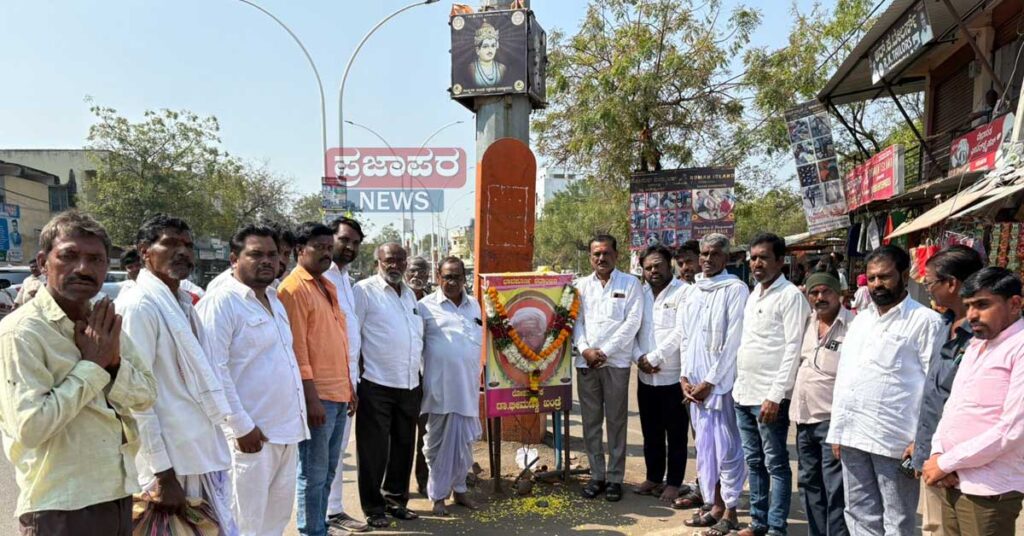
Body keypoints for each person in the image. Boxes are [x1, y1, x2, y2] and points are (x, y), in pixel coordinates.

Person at [0, 210, 157, 535]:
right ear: (44, 262)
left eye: (95, 259)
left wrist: (112, 363)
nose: (83, 268)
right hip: (61, 506)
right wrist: (92, 366)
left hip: (115, 492)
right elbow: (30, 427)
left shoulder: (103, 322)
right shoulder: (22, 332)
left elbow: (146, 396)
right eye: (69, 256)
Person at [116, 214, 239, 534]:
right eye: (170, 243)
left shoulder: (182, 302)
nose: (183, 251)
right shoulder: (139, 306)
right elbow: (134, 397)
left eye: (187, 244)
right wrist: (162, 474)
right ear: (144, 251)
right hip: (172, 463)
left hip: (198, 452)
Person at [196, 224, 310, 536]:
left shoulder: (274, 299)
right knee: (242, 524)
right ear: (234, 258)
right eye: (255, 254)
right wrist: (240, 425)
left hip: (286, 433)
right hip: (250, 439)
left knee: (273, 523)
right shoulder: (221, 302)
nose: (267, 261)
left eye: (272, 255)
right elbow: (212, 370)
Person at [826, 245, 945, 535]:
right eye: (872, 278)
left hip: (895, 439)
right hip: (853, 434)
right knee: (858, 512)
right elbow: (846, 376)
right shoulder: (862, 320)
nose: (877, 284)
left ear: (904, 275)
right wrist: (838, 429)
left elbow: (936, 385)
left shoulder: (925, 321)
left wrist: (922, 439)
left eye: (885, 277)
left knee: (898, 518)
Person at [923, 267, 1024, 535]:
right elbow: (953, 406)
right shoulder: (978, 344)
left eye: (982, 305)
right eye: (968, 306)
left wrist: (946, 463)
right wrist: (938, 455)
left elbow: (1012, 430)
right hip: (952, 481)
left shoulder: (1019, 348)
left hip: (989, 490)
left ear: (1015, 304)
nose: (972, 315)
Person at [276, 222, 355, 536]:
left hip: (338, 393)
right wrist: (310, 400)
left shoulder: (326, 285)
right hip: (317, 397)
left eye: (328, 246)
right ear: (299, 250)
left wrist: (349, 386)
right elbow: (298, 350)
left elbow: (339, 341)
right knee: (312, 471)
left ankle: (319, 526)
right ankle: (312, 530)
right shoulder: (293, 288)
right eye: (319, 247)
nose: (326, 252)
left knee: (329, 470)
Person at [733, 233, 811, 536]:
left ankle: (777, 528)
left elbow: (794, 348)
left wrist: (776, 396)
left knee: (776, 463)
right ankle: (758, 522)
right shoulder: (755, 294)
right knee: (754, 463)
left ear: (780, 260)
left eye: (763, 257)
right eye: (753, 258)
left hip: (769, 398)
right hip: (745, 393)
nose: (756, 263)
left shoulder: (790, 296)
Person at [907, 246, 983, 536]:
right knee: (933, 527)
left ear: (952, 284)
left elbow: (974, 408)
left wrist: (950, 461)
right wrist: (921, 441)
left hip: (962, 466)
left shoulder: (982, 337)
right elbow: (933, 393)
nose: (927, 291)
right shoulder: (943, 324)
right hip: (934, 458)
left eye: (930, 283)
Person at [677, 233, 749, 536]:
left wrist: (709, 381)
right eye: (704, 254)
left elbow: (734, 342)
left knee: (728, 450)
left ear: (726, 258)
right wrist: (684, 377)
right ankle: (715, 505)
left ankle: (731, 511)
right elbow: (685, 338)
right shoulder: (692, 292)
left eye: (714, 254)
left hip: (720, 387)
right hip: (694, 388)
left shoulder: (735, 289)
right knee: (706, 450)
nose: (707, 260)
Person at [353, 243, 425, 528]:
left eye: (399, 260)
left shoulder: (409, 294)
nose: (394, 265)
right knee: (373, 450)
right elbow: (353, 336)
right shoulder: (364, 291)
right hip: (376, 383)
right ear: (377, 262)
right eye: (389, 260)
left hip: (409, 382)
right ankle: (373, 507)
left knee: (404, 446)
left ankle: (396, 500)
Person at [572, 234, 643, 503]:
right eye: (596, 254)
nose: (601, 258)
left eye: (606, 253)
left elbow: (632, 321)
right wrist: (586, 350)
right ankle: (596, 476)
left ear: (616, 254)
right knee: (590, 423)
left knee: (616, 422)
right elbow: (576, 321)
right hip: (586, 362)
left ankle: (615, 478)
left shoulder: (631, 283)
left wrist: (605, 352)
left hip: (616, 363)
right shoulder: (579, 286)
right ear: (590, 257)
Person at [417, 256, 482, 516]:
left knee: (464, 446)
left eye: (456, 276)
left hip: (467, 390)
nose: (451, 281)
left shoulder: (474, 305)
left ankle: (460, 490)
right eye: (447, 276)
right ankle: (437, 496)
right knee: (437, 446)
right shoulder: (424, 307)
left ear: (464, 278)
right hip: (439, 391)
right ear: (438, 277)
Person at [791, 270, 852, 536]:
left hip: (832, 421)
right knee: (808, 484)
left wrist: (842, 426)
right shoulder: (805, 323)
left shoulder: (853, 327)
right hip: (804, 419)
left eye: (826, 291)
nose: (820, 297)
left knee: (835, 488)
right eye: (814, 292)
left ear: (838, 293)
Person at [633, 245, 694, 502]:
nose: (653, 271)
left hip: (672, 376)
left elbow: (681, 331)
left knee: (676, 433)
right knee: (651, 431)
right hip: (646, 376)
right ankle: (653, 477)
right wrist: (639, 358)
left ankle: (674, 482)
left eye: (658, 265)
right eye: (648, 267)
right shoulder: (640, 293)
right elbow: (632, 327)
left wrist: (654, 357)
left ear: (670, 265)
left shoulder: (685, 293)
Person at [324, 217, 369, 533]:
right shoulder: (319, 278)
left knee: (337, 452)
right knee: (318, 461)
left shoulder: (344, 279)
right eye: (344, 240)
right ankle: (319, 518)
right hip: (325, 385)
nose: (350, 247)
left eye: (355, 242)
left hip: (347, 382)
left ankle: (334, 511)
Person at [405, 255, 432, 496]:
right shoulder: (396, 299)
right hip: (399, 380)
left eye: (422, 272)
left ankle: (423, 483)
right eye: (413, 271)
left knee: (426, 435)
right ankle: (395, 488)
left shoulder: (430, 304)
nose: (417, 276)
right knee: (400, 438)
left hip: (426, 380)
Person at [467, 22, 507, 87]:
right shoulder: (472, 69)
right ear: (477, 50)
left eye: (493, 46)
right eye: (485, 46)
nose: (490, 50)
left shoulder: (502, 68)